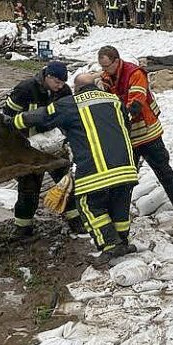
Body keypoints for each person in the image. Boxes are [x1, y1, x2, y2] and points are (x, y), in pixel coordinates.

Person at [11, 72, 139, 259]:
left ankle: (110, 245)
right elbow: (125, 128)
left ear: (76, 89)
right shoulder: (115, 100)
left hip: (98, 169)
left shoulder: (72, 103)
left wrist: (13, 122)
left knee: (87, 204)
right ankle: (122, 242)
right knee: (120, 204)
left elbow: (43, 116)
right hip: (127, 167)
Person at [98, 46, 173, 218]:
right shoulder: (106, 77)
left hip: (148, 133)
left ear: (116, 61)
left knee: (164, 172)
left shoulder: (135, 74)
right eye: (102, 67)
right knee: (125, 178)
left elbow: (136, 103)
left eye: (107, 66)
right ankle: (119, 214)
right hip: (129, 137)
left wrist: (119, 120)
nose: (104, 70)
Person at [2, 61, 76, 237]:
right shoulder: (25, 89)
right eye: (57, 82)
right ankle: (23, 226)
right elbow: (7, 118)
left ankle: (76, 219)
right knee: (29, 188)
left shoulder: (64, 91)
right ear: (48, 77)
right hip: (29, 147)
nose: (60, 87)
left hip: (55, 146)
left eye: (63, 83)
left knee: (65, 183)